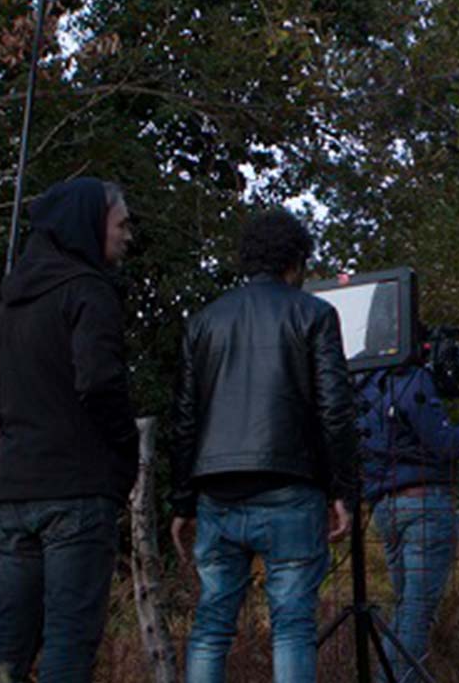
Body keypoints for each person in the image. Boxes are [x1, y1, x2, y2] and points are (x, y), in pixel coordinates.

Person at [168, 208, 358, 683]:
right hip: (291, 488)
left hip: (218, 490)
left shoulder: (204, 321)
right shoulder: (315, 314)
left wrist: (182, 498)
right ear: (295, 262)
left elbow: (185, 418)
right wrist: (344, 490)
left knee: (211, 626)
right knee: (292, 627)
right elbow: (335, 409)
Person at [0, 177, 138, 682]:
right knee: (69, 637)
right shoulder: (88, 291)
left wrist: (16, 418)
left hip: (15, 491)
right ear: (90, 223)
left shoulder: (12, 300)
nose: (128, 235)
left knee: (9, 639)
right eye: (122, 223)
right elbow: (99, 381)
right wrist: (122, 450)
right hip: (77, 488)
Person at [359, 344, 459, 679]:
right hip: (424, 505)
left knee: (407, 608)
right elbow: (442, 443)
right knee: (416, 613)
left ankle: (393, 674)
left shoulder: (366, 383)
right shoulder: (412, 379)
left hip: (386, 506)